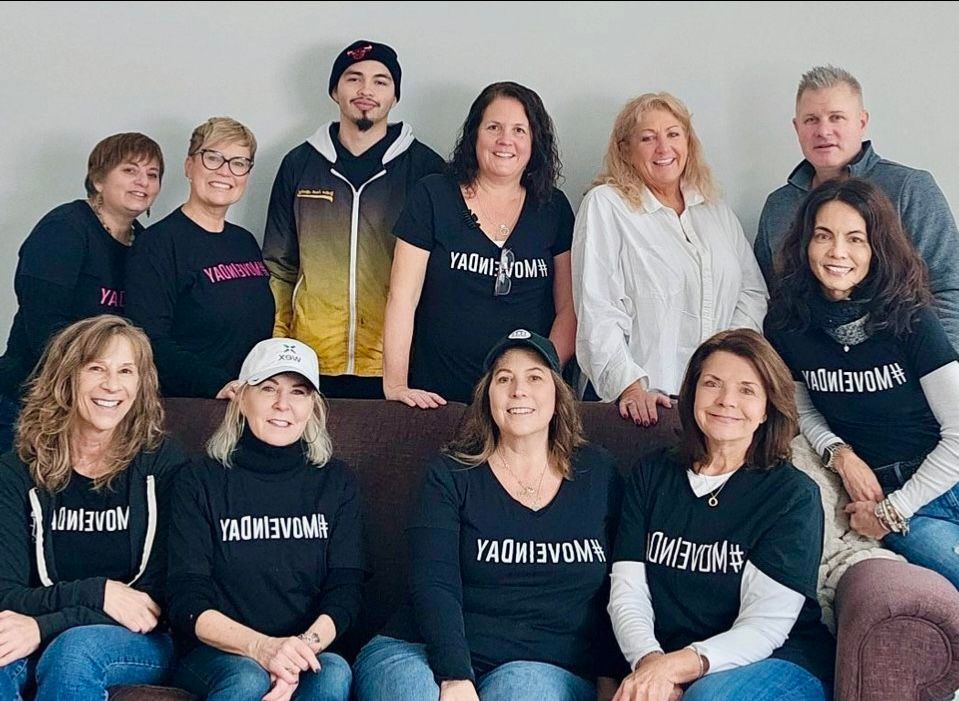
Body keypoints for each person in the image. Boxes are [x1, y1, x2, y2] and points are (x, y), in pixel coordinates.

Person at [354, 329, 624, 701]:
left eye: (535, 377)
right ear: (487, 397)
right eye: (504, 379)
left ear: (558, 395)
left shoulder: (599, 473)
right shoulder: (451, 474)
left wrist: (610, 675)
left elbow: (619, 585)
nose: (519, 390)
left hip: (542, 667)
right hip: (421, 650)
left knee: (522, 691)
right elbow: (434, 583)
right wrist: (454, 677)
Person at [609, 329, 834, 701]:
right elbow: (627, 591)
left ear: (767, 408)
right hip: (667, 660)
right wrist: (650, 664)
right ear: (692, 393)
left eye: (747, 390)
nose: (727, 400)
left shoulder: (792, 496)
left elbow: (765, 627)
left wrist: (675, 668)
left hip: (777, 660)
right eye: (712, 384)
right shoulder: (651, 474)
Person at [765, 177, 959, 588]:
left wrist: (891, 512)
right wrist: (839, 454)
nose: (838, 252)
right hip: (904, 503)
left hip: (938, 481)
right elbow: (803, 407)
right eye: (823, 235)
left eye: (856, 239)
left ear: (877, 248)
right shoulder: (786, 323)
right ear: (805, 243)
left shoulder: (911, 317)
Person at [0, 315, 188, 700]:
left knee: (74, 652)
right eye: (96, 368)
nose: (112, 385)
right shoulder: (17, 470)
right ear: (66, 377)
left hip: (140, 639)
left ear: (142, 384)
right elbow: (7, 593)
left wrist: (45, 626)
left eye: (126, 371)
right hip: (39, 623)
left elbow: (154, 601)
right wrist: (98, 592)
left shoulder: (163, 464)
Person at [168, 337, 364, 701]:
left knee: (333, 673)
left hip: (307, 648)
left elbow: (346, 590)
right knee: (247, 678)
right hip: (218, 653)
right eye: (268, 388)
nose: (282, 404)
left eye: (298, 392)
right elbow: (186, 597)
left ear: (313, 406)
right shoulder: (198, 480)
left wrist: (295, 652)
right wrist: (262, 648)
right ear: (242, 397)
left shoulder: (337, 483)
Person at [262, 39, 445, 399]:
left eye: (380, 81)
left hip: (398, 366)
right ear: (335, 90)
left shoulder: (427, 170)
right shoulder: (299, 164)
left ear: (395, 96)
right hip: (311, 360)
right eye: (353, 78)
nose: (366, 90)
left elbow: (441, 274)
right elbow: (279, 267)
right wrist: (281, 350)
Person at [573, 92, 767, 426]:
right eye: (648, 138)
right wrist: (629, 387)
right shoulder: (606, 205)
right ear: (625, 149)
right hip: (641, 406)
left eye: (673, 134)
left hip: (714, 406)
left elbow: (752, 292)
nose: (663, 148)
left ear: (688, 142)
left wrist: (726, 365)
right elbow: (597, 309)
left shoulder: (714, 209)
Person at [383, 82, 576, 408]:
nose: (505, 140)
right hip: (438, 400)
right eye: (493, 127)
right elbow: (402, 298)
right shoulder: (433, 195)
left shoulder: (553, 208)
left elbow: (569, 310)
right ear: (474, 134)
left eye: (519, 130)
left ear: (535, 142)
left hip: (522, 404)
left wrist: (538, 378)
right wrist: (396, 385)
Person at [755, 64, 959, 349]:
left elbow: (948, 286)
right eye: (811, 120)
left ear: (862, 122)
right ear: (797, 127)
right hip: (809, 370)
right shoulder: (778, 206)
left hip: (904, 367)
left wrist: (940, 365)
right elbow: (773, 302)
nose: (823, 131)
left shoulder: (909, 189)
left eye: (836, 117)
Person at [0, 132, 163, 451]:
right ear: (98, 180)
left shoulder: (146, 246)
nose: (143, 181)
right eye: (130, 170)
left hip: (99, 405)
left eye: (152, 174)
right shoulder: (64, 229)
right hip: (28, 401)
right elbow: (44, 326)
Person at [126, 116, 274, 399]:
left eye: (239, 163)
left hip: (247, 401)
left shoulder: (244, 241)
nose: (225, 171)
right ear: (189, 166)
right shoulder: (158, 244)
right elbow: (148, 340)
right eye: (213, 158)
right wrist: (216, 385)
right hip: (192, 405)